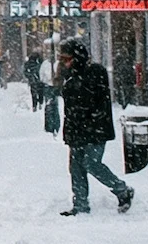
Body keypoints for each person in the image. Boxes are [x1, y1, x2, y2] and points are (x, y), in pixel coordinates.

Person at [55, 37, 134, 216]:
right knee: (76, 168)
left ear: (77, 57)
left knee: (91, 164)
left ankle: (122, 190)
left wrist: (91, 118)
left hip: (95, 129)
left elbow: (99, 101)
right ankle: (80, 204)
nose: (64, 63)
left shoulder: (95, 72)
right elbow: (69, 103)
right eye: (62, 59)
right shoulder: (70, 76)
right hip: (77, 129)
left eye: (67, 59)